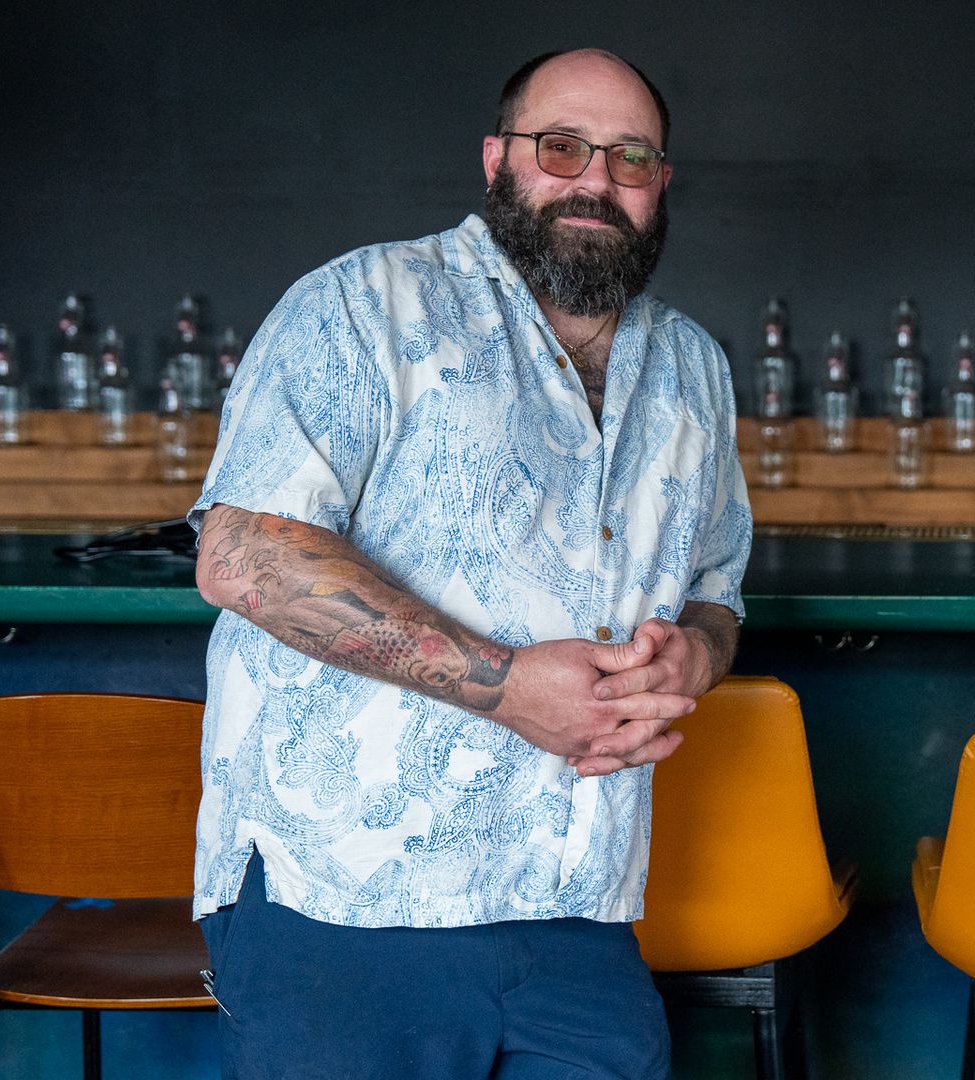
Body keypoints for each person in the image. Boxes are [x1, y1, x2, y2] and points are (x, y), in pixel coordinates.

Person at [188, 48, 750, 1080]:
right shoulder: (363, 304)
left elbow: (718, 594)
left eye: (629, 158)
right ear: (499, 160)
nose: (595, 181)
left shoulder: (693, 368)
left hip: (576, 901)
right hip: (346, 900)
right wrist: (504, 688)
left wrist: (695, 662)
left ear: (661, 181)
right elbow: (242, 556)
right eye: (562, 148)